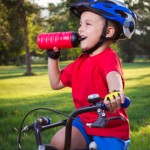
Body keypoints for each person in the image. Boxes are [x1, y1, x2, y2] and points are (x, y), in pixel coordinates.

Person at [47, 0, 137, 149]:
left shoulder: (108, 57)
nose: (80, 29)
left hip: (110, 127)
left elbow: (114, 76)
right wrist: (52, 57)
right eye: (80, 24)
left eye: (88, 24)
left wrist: (115, 93)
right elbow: (55, 83)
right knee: (59, 142)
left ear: (108, 32)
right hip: (83, 121)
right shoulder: (80, 62)